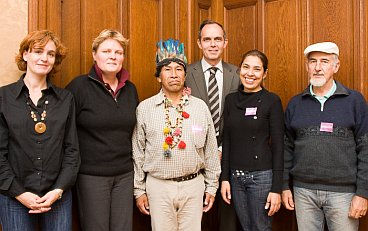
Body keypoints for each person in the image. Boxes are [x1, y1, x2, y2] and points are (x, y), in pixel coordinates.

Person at [133, 39, 221, 231]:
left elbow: (211, 150)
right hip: (158, 187)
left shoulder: (200, 107)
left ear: (185, 74)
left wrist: (212, 186)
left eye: (179, 69)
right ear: (158, 76)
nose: (174, 74)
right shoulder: (145, 109)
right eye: (167, 69)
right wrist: (139, 190)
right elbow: (138, 153)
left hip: (194, 186)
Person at [282, 42, 368, 231]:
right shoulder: (295, 103)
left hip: (344, 194)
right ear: (307, 67)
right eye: (313, 62)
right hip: (303, 193)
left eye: (324, 61)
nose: (318, 67)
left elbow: (366, 150)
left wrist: (363, 193)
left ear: (336, 66)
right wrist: (283, 186)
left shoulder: (355, 101)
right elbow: (286, 148)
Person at [0, 30, 80, 230]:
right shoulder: (3, 98)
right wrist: (19, 193)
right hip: (14, 195)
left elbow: (72, 151)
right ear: (25, 55)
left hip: (57, 196)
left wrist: (58, 190)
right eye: (38, 51)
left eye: (51, 54)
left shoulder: (66, 99)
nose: (44, 58)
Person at [66, 29, 138, 231]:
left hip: (125, 174)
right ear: (94, 54)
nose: (113, 56)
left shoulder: (130, 89)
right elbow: (64, 132)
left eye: (118, 52)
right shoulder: (78, 87)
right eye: (107, 51)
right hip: (91, 176)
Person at [185, 19, 240, 231]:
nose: (213, 44)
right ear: (199, 43)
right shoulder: (185, 73)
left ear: (225, 42)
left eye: (218, 39)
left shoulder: (238, 74)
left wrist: (221, 148)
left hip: (229, 154)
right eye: (207, 39)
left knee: (228, 219)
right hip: (193, 155)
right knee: (194, 219)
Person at [220, 50, 284, 231]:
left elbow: (279, 146)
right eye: (246, 67)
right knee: (246, 228)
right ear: (240, 69)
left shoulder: (272, 101)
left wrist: (276, 189)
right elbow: (227, 140)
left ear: (264, 74)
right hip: (235, 177)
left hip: (262, 178)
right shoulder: (231, 100)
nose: (250, 73)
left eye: (257, 69)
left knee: (260, 228)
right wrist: (225, 178)